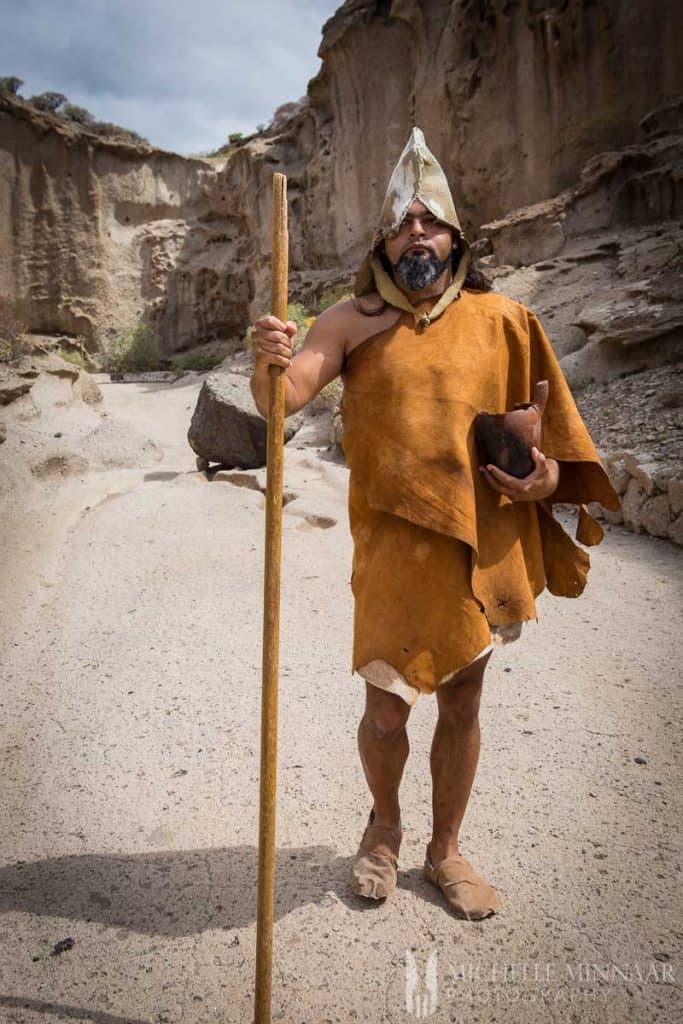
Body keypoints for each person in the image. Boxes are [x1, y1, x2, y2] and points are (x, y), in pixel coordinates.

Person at [249, 128, 619, 920]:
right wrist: (268, 359)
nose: (416, 231)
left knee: (464, 699)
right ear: (382, 238)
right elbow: (284, 400)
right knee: (385, 707)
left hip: (482, 543)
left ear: (456, 236)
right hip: (389, 544)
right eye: (401, 221)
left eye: (431, 220)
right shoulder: (349, 321)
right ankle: (382, 828)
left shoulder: (506, 318)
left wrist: (543, 480)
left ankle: (444, 848)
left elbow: (554, 447)